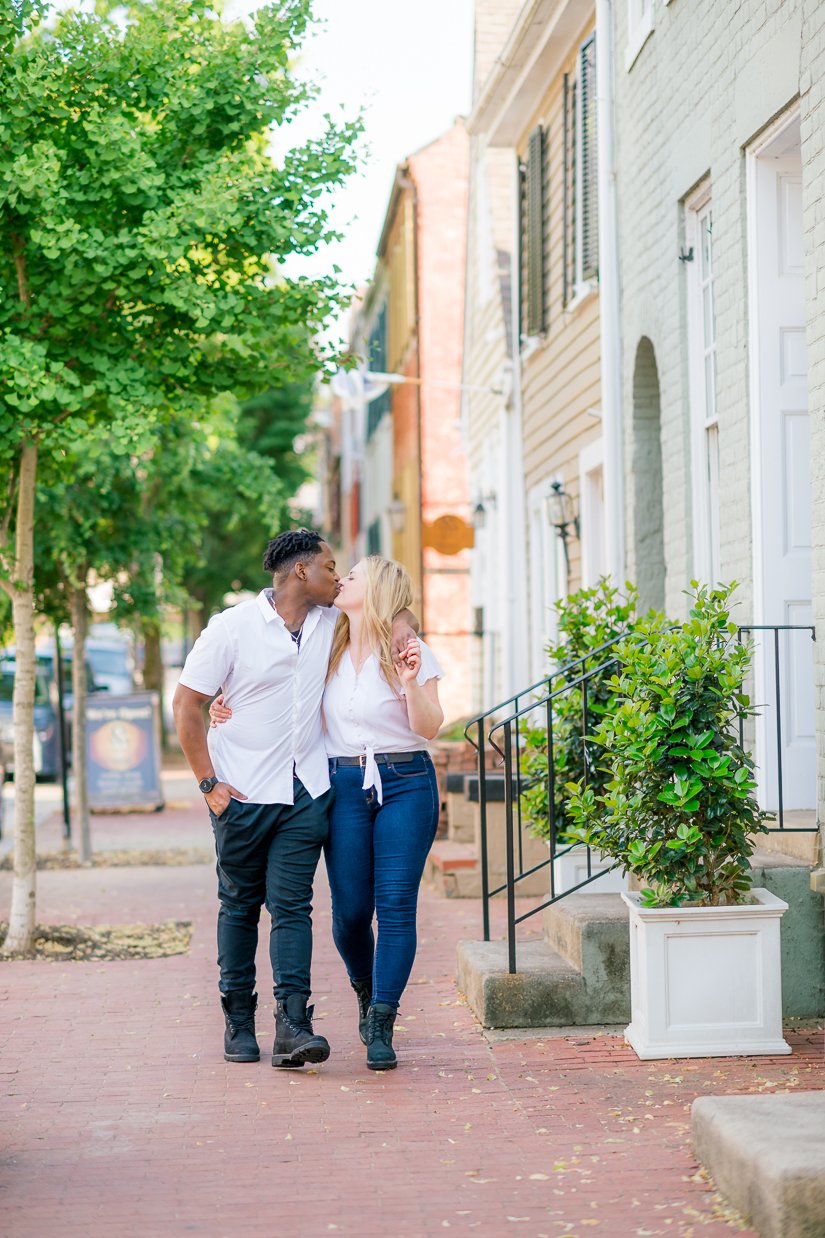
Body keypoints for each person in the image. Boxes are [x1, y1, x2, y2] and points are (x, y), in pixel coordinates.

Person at [173, 530, 416, 1070]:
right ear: (301, 572)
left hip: (306, 792)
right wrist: (209, 785)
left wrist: (404, 629)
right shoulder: (230, 628)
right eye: (331, 567)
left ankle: (292, 1024)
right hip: (240, 792)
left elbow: (393, 614)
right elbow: (188, 705)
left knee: (292, 908)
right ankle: (238, 1019)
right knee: (238, 907)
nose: (338, 576)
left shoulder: (334, 623)